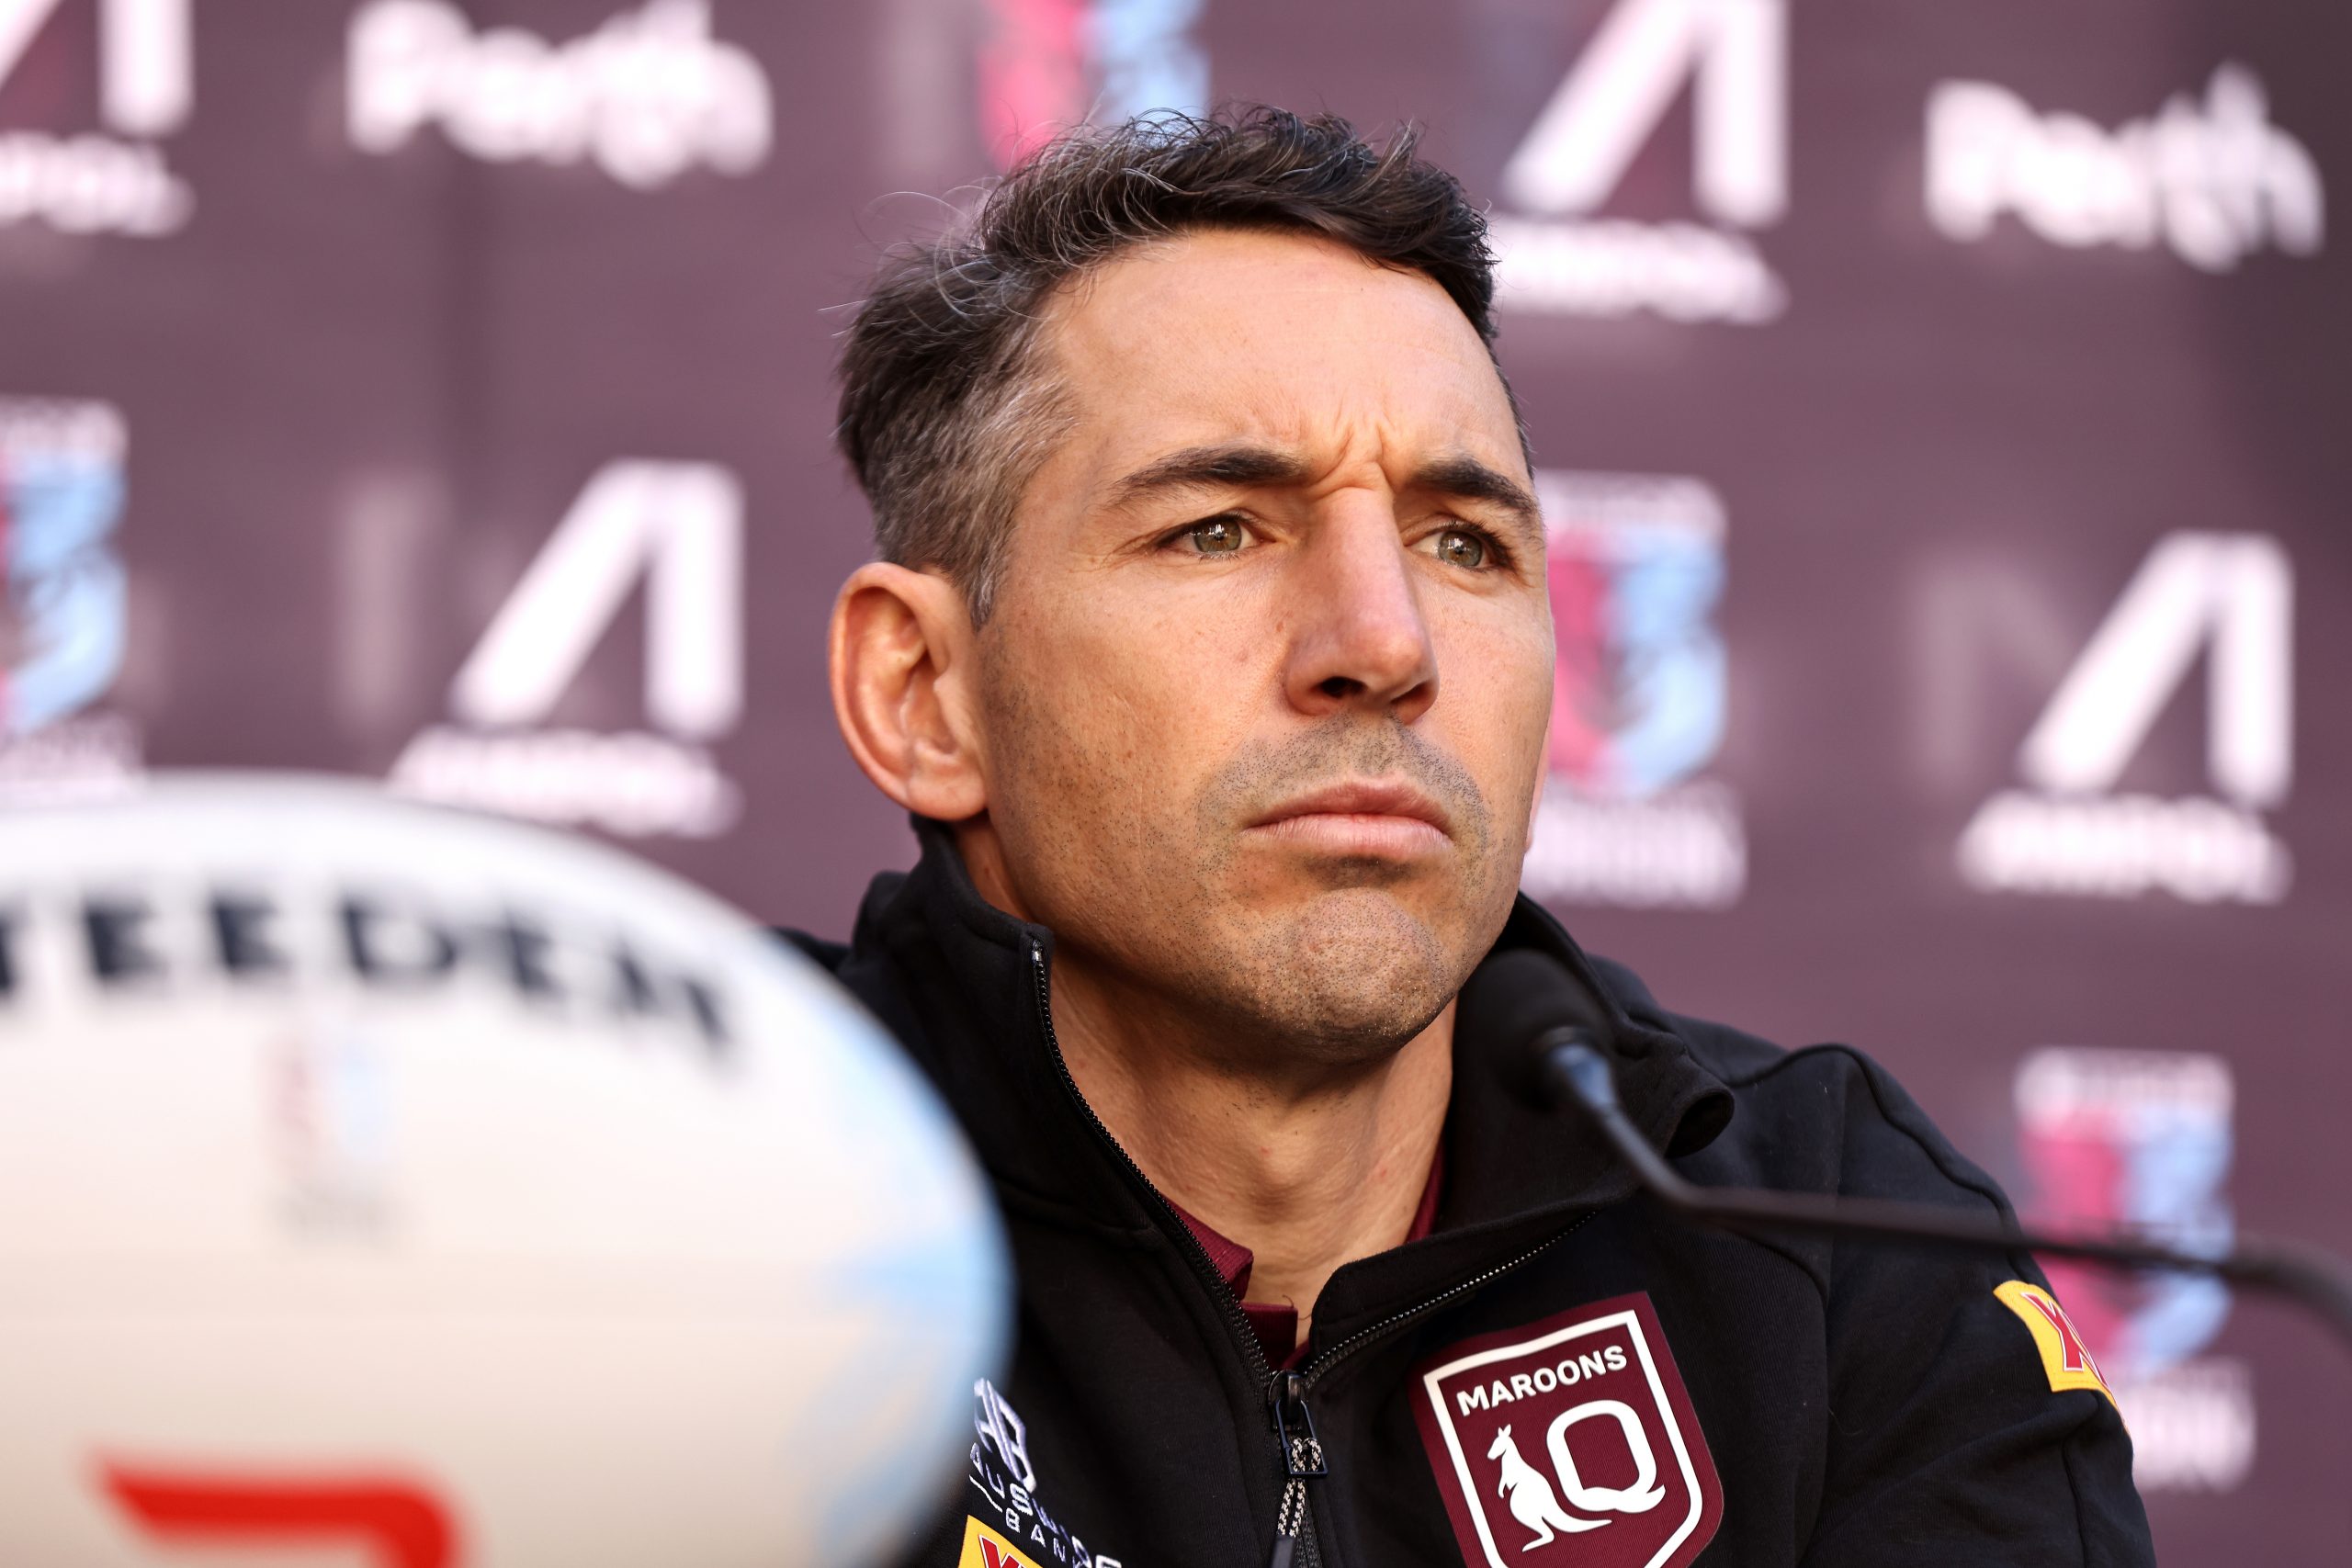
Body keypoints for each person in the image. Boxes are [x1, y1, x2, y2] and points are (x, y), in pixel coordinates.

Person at [792, 107, 2153, 1568]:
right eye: (1219, 529)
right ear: (924, 694)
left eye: (1465, 544)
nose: (1386, 644)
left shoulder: (1830, 1245)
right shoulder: (675, 1180)